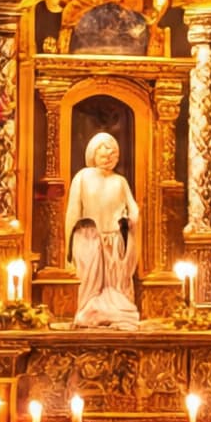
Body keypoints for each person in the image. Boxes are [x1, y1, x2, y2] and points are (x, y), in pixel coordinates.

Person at [66, 133, 140, 330]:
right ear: (93, 153)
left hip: (114, 239)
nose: (108, 158)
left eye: (113, 154)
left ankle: (113, 314)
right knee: (90, 282)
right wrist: (68, 248)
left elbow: (133, 207)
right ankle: (88, 313)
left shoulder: (120, 181)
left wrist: (133, 218)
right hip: (88, 238)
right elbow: (73, 212)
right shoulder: (83, 177)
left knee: (116, 282)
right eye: (103, 153)